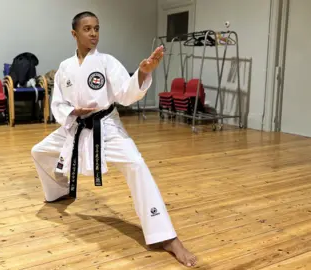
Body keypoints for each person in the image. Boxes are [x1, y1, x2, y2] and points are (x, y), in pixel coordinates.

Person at [30, 11, 197, 267]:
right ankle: (59, 190)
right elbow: (58, 103)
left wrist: (142, 74)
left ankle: (166, 236)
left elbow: (125, 94)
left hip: (106, 128)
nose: (94, 33)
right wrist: (72, 112)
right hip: (75, 126)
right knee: (39, 151)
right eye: (87, 29)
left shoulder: (107, 62)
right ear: (74, 34)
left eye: (97, 28)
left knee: (137, 165)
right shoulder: (65, 67)